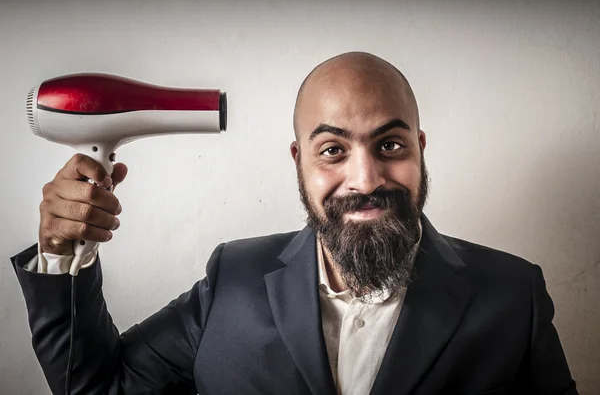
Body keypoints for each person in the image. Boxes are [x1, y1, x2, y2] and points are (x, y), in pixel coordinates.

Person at [11, 52, 577, 395]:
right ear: (299, 162)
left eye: (390, 144)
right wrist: (61, 251)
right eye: (333, 149)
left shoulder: (512, 295)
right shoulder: (232, 279)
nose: (366, 177)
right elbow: (95, 387)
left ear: (420, 149)